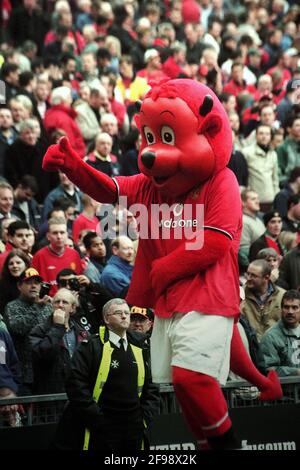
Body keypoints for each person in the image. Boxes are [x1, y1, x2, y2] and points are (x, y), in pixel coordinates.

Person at [43, 79, 282, 450]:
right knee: (182, 389)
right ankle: (221, 432)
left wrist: (164, 269)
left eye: (168, 136)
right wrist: (73, 166)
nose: (153, 152)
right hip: (170, 301)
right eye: (151, 137)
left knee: (191, 379)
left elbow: (217, 242)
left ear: (209, 130)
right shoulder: (151, 186)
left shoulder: (223, 180)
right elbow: (110, 189)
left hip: (209, 291)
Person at [53, 298, 159, 450]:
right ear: (106, 319)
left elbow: (152, 386)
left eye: (126, 313)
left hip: (133, 429)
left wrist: (143, 419)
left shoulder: (141, 347)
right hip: (101, 429)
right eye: (118, 313)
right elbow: (75, 384)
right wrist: (97, 418)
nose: (124, 316)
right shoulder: (91, 346)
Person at [29, 288, 89, 394]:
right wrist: (57, 327)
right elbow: (41, 355)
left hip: (77, 392)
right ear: (52, 305)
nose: (60, 305)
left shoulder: (82, 333)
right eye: (57, 302)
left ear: (72, 308)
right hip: (50, 393)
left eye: (65, 302)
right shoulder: (40, 330)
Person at [3, 268, 52, 393]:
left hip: (47, 372)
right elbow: (18, 328)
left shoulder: (48, 306)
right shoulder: (12, 307)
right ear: (19, 286)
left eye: (37, 282)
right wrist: (37, 307)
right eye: (29, 282)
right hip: (24, 374)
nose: (33, 286)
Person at [32, 217, 83, 296]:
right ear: (48, 236)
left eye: (62, 232)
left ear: (67, 235)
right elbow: (33, 284)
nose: (59, 236)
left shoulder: (74, 254)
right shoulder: (39, 256)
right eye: (55, 233)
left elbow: (79, 281)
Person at [241, 259, 285, 342]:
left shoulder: (282, 296)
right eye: (248, 274)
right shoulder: (240, 295)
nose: (248, 278)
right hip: (250, 348)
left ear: (266, 278)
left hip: (275, 348)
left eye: (253, 275)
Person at [56, 268, 112, 334]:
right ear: (58, 287)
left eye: (71, 282)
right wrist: (72, 306)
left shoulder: (88, 297)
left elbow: (111, 304)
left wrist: (91, 285)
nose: (68, 287)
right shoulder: (57, 305)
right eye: (63, 283)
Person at [258, 290, 300, 377]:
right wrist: (296, 372)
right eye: (286, 307)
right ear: (281, 309)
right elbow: (268, 369)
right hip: (285, 389)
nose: (290, 312)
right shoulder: (270, 336)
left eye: (294, 307)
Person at [0, 249, 31, 314]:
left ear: (26, 265)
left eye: (18, 263)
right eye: (11, 264)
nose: (14, 266)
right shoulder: (2, 285)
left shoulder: (34, 282)